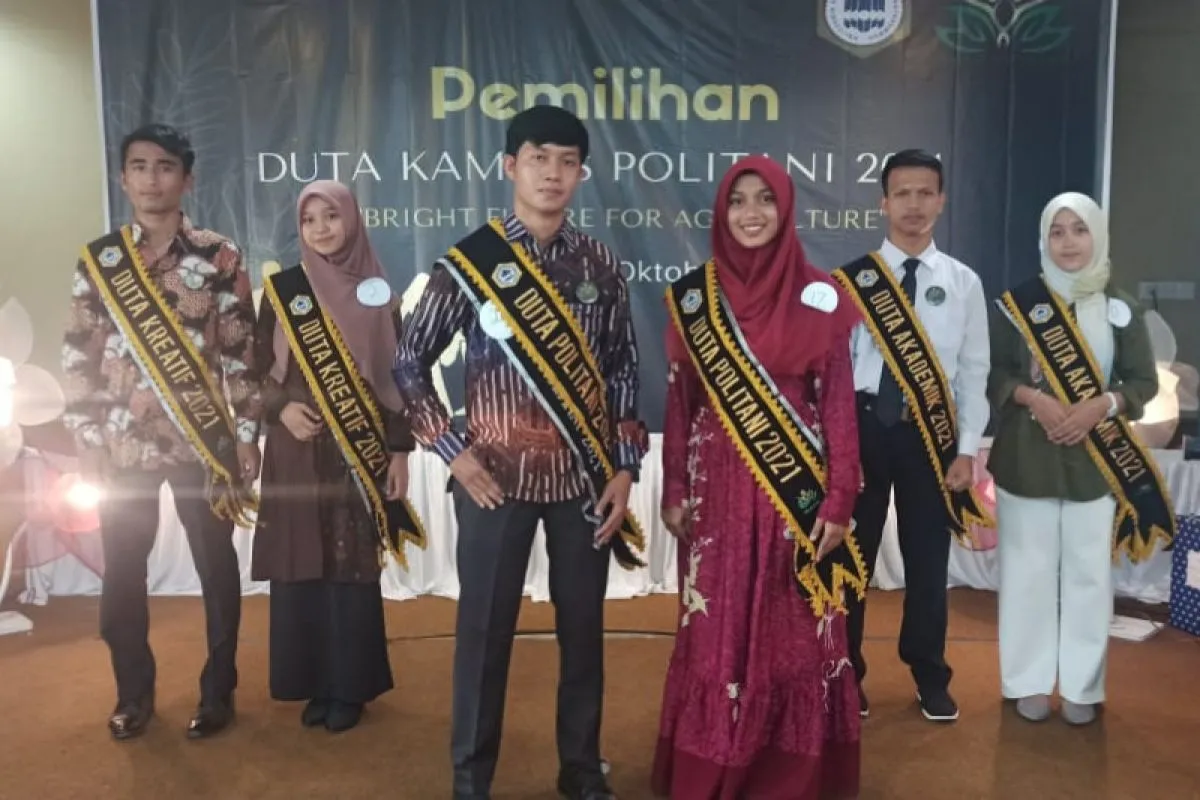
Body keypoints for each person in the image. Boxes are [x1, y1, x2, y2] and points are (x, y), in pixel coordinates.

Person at [393, 105, 646, 800]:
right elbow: (408, 363)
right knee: (483, 636)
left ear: (582, 173)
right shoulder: (471, 262)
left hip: (582, 482)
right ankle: (471, 779)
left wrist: (625, 467)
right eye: (538, 158)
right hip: (493, 483)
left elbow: (624, 369)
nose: (552, 174)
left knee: (584, 635)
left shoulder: (599, 263)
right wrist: (452, 451)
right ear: (510, 166)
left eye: (567, 161)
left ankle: (581, 769)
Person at [652, 156, 866, 799]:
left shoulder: (820, 295)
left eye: (765, 199)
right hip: (714, 497)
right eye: (738, 200)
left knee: (793, 634)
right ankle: (713, 763)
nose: (751, 213)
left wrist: (839, 498)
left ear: (786, 209)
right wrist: (673, 487)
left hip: (791, 498)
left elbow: (838, 405)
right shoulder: (695, 300)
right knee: (714, 633)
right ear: (722, 213)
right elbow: (680, 402)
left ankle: (787, 773)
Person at [61, 123, 261, 740]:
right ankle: (133, 695)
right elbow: (79, 355)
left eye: (166, 167)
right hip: (122, 445)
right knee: (124, 573)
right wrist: (86, 439)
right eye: (140, 167)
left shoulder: (219, 256)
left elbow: (240, 352)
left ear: (187, 179)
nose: (153, 179)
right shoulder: (101, 261)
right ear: (123, 179)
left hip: (204, 444)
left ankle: (218, 691)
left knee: (216, 569)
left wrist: (247, 434)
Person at [987, 192, 1163, 726]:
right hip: (1027, 459)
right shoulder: (1015, 306)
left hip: (1096, 462)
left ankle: (1084, 686)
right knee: (1027, 575)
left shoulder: (1122, 308)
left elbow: (1143, 382)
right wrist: (1033, 398)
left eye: (1079, 230)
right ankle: (1027, 681)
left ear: (1097, 236)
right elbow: (994, 374)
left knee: (1090, 578)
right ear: (1044, 240)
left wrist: (1101, 405)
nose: (1068, 242)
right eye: (1057, 231)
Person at [252, 181, 417, 732]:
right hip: (295, 451)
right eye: (309, 220)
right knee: (301, 560)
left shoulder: (376, 293)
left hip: (356, 452)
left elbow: (400, 377)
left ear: (352, 220)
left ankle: (349, 687)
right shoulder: (284, 292)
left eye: (331, 216)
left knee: (349, 566)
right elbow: (254, 369)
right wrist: (280, 410)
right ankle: (312, 681)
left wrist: (399, 452)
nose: (321, 228)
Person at [833, 149, 991, 723]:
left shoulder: (964, 283)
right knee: (851, 558)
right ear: (883, 202)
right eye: (902, 193)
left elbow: (974, 373)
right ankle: (844, 672)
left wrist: (967, 450)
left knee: (928, 562)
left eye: (926, 193)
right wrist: (839, 448)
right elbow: (835, 371)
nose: (914, 204)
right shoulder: (853, 282)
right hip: (864, 431)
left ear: (941, 201)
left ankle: (929, 673)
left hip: (933, 439)